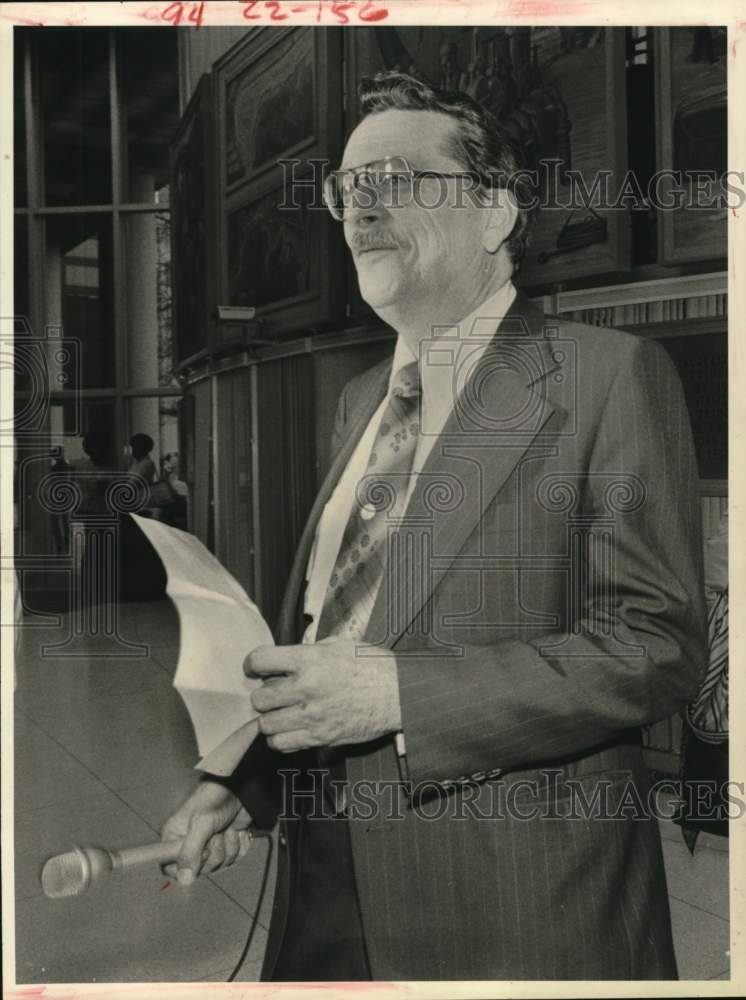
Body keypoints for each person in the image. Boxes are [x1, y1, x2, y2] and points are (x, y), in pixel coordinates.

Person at [161, 72, 707, 980]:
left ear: (494, 213)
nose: (359, 207)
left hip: (509, 899)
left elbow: (655, 645)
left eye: (397, 178)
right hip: (324, 879)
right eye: (347, 188)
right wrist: (247, 788)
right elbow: (339, 628)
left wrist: (402, 698)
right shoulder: (361, 400)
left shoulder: (607, 378)